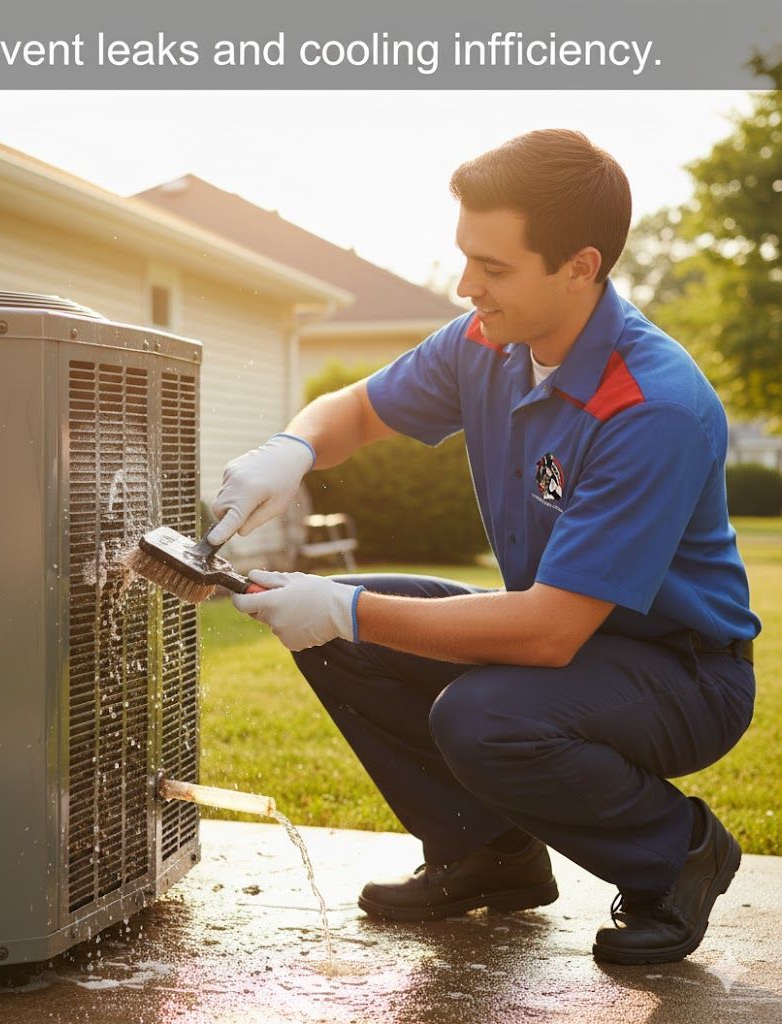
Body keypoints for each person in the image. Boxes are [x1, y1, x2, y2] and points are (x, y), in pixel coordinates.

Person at [205, 129, 760, 966]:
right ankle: (488, 857)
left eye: (493, 269)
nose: (467, 288)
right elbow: (355, 410)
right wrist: (292, 451)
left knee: (475, 712)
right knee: (343, 644)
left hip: (679, 673)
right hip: (568, 639)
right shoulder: (486, 343)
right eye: (466, 259)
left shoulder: (650, 407)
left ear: (580, 265)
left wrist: (349, 609)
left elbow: (547, 633)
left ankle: (676, 853)